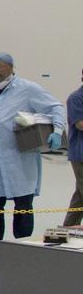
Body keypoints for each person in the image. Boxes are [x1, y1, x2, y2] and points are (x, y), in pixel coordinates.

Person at [0, 53, 66, 256]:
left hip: (20, 158)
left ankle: (22, 245)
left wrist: (57, 131)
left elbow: (56, 106)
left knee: (23, 204)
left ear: (10, 67)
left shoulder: (27, 89)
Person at [67, 69, 83, 226]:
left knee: (80, 195)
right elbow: (80, 124)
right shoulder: (76, 98)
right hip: (80, 154)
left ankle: (68, 228)